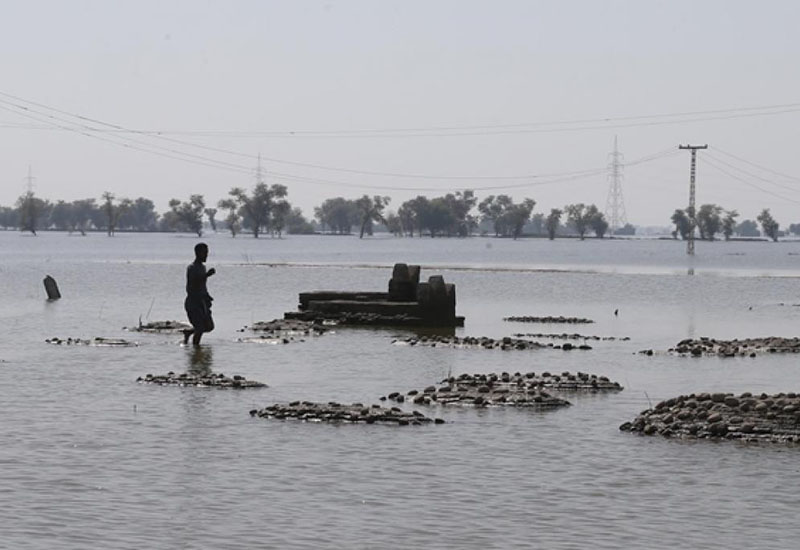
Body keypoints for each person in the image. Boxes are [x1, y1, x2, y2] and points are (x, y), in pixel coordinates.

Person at [183, 242, 216, 346]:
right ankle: (196, 352)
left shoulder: (202, 267)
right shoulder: (192, 268)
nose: (206, 255)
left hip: (202, 302)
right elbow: (194, 283)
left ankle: (189, 332)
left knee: (209, 326)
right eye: (204, 253)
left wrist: (207, 296)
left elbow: (202, 286)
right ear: (197, 253)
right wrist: (206, 275)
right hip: (193, 302)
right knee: (200, 328)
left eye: (207, 253)